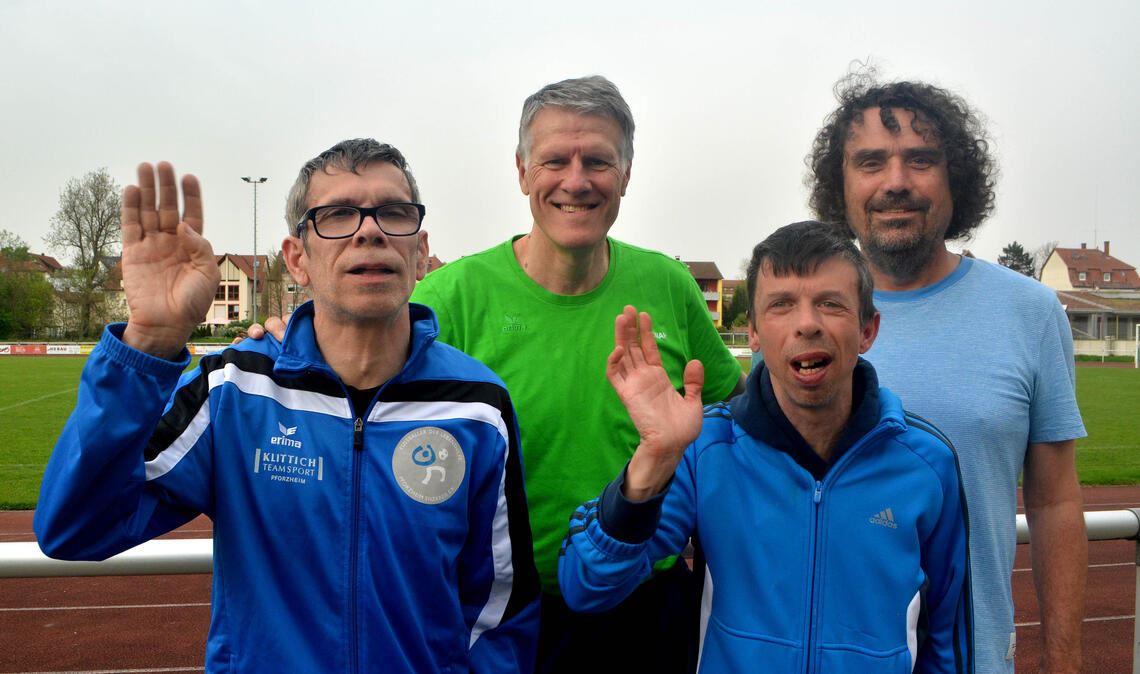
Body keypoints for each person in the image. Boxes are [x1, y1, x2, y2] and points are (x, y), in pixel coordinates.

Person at [33, 140, 540, 673]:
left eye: (394, 213)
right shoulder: (236, 390)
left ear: (419, 252)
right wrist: (147, 345)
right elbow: (76, 529)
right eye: (337, 215)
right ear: (297, 259)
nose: (370, 230)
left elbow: (500, 610)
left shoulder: (476, 407)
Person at [409, 75, 746, 672]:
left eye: (598, 161)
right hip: (497, 614)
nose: (576, 180)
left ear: (626, 175)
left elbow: (737, 413)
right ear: (521, 172)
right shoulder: (450, 298)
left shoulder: (668, 286)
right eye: (554, 161)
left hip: (646, 604)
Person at [559, 220, 973, 673]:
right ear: (753, 333)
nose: (807, 324)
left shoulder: (927, 463)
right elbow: (587, 585)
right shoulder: (708, 450)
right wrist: (655, 457)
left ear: (867, 330)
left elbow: (947, 641)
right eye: (781, 305)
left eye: (830, 304)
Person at [806, 74, 1087, 673]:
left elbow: (1056, 501)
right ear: (842, 185)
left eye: (922, 160)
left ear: (956, 179)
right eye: (871, 162)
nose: (896, 182)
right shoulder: (802, 317)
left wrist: (1063, 662)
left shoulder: (1030, 312)